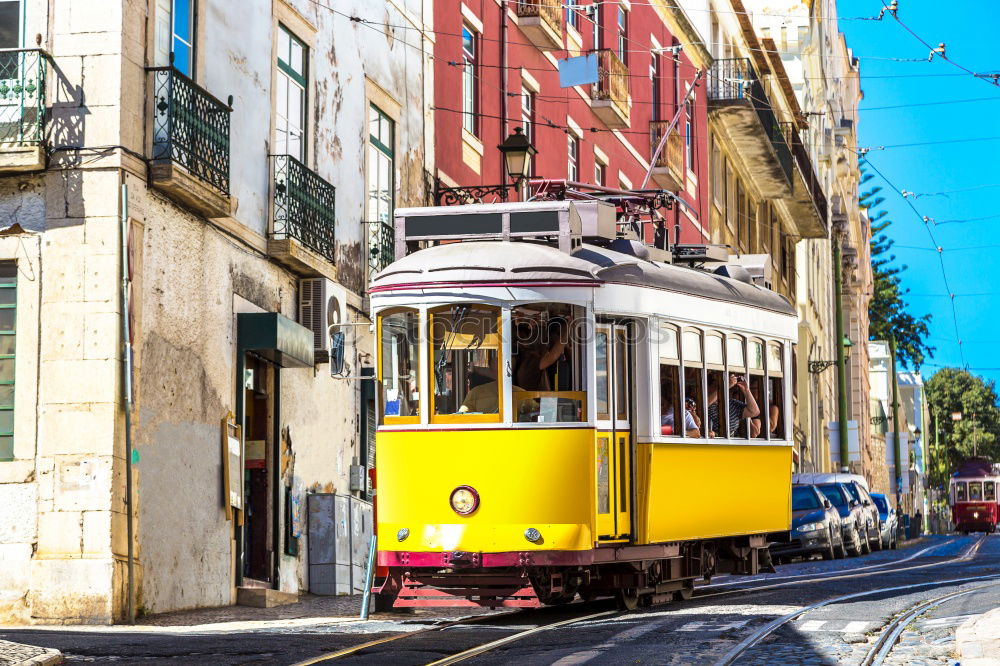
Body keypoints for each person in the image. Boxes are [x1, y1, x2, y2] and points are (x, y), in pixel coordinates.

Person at [707, 373, 760, 438]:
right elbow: (703, 406)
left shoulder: (731, 402)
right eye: (716, 385)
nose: (719, 388)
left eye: (720, 385)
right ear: (708, 387)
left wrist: (746, 390)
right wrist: (725, 387)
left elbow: (754, 412)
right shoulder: (703, 402)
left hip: (729, 444)